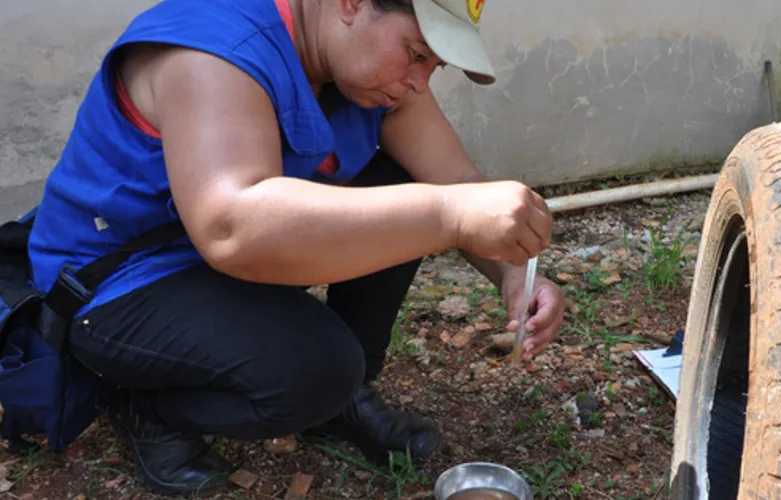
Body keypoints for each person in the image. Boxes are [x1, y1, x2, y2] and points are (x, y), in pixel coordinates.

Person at [25, 0, 567, 495]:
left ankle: (347, 394)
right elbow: (230, 227)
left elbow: (455, 182)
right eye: (416, 53)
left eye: (434, 66)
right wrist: (448, 215)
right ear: (352, 4)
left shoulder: (366, 76)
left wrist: (515, 273)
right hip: (117, 281)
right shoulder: (215, 49)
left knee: (401, 179)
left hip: (215, 266)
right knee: (317, 369)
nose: (420, 82)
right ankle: (152, 407)